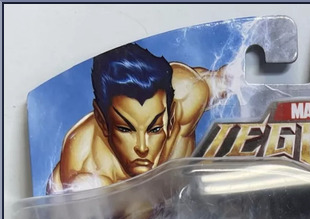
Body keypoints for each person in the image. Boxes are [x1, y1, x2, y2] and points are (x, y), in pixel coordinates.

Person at [48, 43, 231, 192]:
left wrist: (235, 78)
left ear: (171, 117)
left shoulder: (189, 94)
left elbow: (226, 81)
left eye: (155, 129)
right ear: (103, 122)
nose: (142, 148)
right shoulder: (88, 177)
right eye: (125, 129)